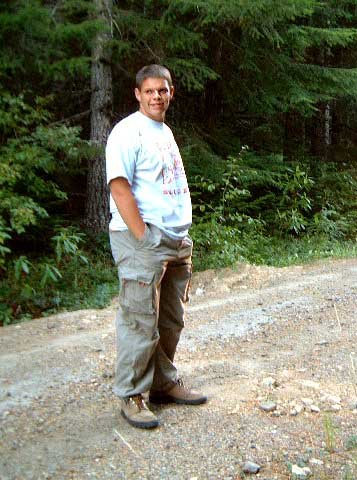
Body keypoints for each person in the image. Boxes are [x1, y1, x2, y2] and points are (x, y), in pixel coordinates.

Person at [106, 64, 206, 429]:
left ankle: (163, 383)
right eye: (149, 91)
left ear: (171, 92)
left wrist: (178, 233)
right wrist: (143, 236)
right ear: (137, 94)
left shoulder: (163, 131)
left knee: (170, 320)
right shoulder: (126, 132)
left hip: (176, 240)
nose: (156, 97)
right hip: (143, 240)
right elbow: (119, 186)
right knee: (139, 321)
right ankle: (131, 395)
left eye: (162, 91)